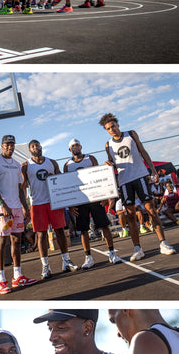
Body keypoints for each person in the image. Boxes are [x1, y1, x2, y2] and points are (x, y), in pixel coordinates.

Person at [100, 112, 176, 260]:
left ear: (118, 125)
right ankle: (137, 249)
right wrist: (108, 164)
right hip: (124, 181)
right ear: (107, 130)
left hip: (140, 176)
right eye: (108, 128)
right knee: (130, 215)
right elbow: (113, 162)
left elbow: (142, 151)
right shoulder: (108, 144)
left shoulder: (131, 134)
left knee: (151, 210)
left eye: (113, 126)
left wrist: (153, 171)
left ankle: (163, 243)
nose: (112, 129)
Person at [0, 135, 37, 294]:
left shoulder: (16, 165)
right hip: (2, 208)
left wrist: (25, 207)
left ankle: (18, 276)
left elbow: (19, 188)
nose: (10, 147)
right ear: (1, 146)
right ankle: (1, 280)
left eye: (12, 145)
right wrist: (2, 205)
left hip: (16, 208)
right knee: (2, 241)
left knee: (17, 239)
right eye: (7, 145)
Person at [21, 138, 79, 279]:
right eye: (33, 146)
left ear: (41, 147)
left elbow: (61, 181)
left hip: (54, 202)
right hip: (37, 203)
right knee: (41, 235)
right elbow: (23, 187)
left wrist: (55, 179)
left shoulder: (51, 162)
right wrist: (24, 206)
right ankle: (45, 266)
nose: (36, 147)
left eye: (38, 145)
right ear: (30, 150)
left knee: (60, 231)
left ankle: (66, 261)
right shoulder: (25, 166)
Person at [63, 139, 121, 267]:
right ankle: (88, 257)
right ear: (69, 149)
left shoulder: (90, 158)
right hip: (80, 202)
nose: (75, 147)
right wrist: (70, 205)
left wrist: (105, 195)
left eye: (77, 145)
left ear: (81, 146)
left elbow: (99, 176)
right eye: (73, 146)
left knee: (104, 226)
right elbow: (68, 185)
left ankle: (112, 253)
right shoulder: (67, 165)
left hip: (95, 198)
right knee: (83, 230)